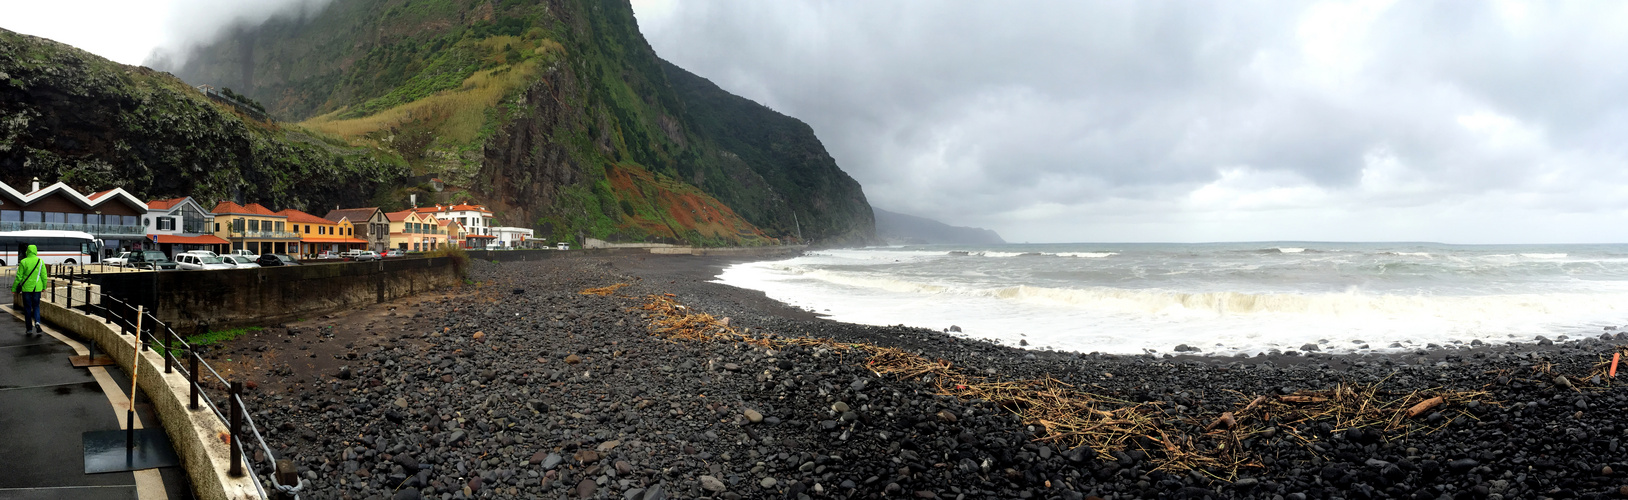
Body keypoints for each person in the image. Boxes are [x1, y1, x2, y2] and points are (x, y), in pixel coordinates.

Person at [12, 244, 47, 335]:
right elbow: (44, 276)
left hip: (26, 288)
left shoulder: (23, 261)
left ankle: (29, 329)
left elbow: (19, 277)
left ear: (27, 251)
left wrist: (14, 288)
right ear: (36, 251)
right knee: (36, 306)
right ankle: (37, 322)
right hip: (37, 288)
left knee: (27, 308)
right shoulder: (40, 261)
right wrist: (44, 287)